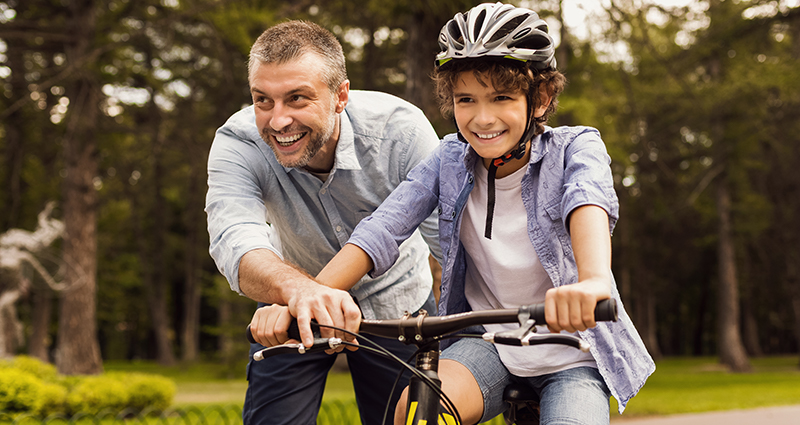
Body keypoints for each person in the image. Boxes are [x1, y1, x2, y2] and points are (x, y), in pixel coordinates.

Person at [315, 3, 656, 424]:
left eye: (501, 98)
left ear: (541, 98)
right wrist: (313, 297)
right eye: (466, 99)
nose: (482, 118)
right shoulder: (447, 159)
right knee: (416, 409)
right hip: (489, 345)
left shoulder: (575, 148)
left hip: (573, 352)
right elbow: (383, 228)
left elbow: (588, 200)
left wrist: (593, 283)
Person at [205, 20, 442, 425]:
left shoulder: (400, 132)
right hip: (290, 304)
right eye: (263, 100)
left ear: (340, 95)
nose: (278, 121)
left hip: (398, 305)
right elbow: (235, 238)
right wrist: (301, 291)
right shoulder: (237, 142)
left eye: (297, 98)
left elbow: (453, 241)